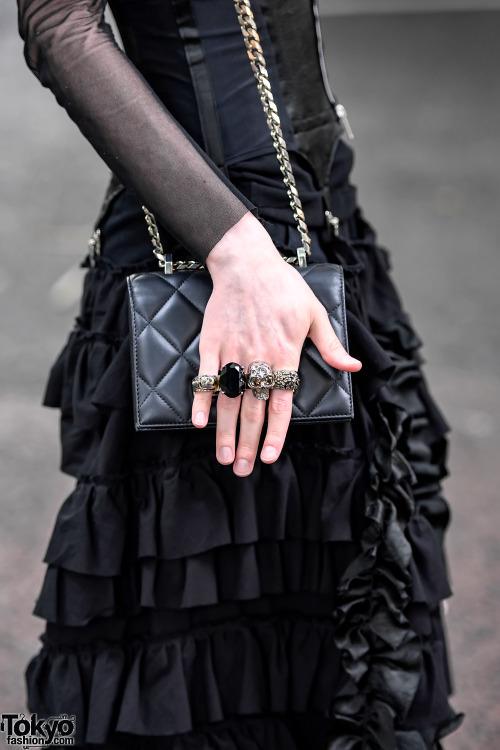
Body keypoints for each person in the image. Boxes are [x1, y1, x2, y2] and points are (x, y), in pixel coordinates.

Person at [17, 0, 463, 748]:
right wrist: (236, 251)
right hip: (209, 255)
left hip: (321, 226)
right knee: (189, 641)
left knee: (336, 622)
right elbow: (59, 23)